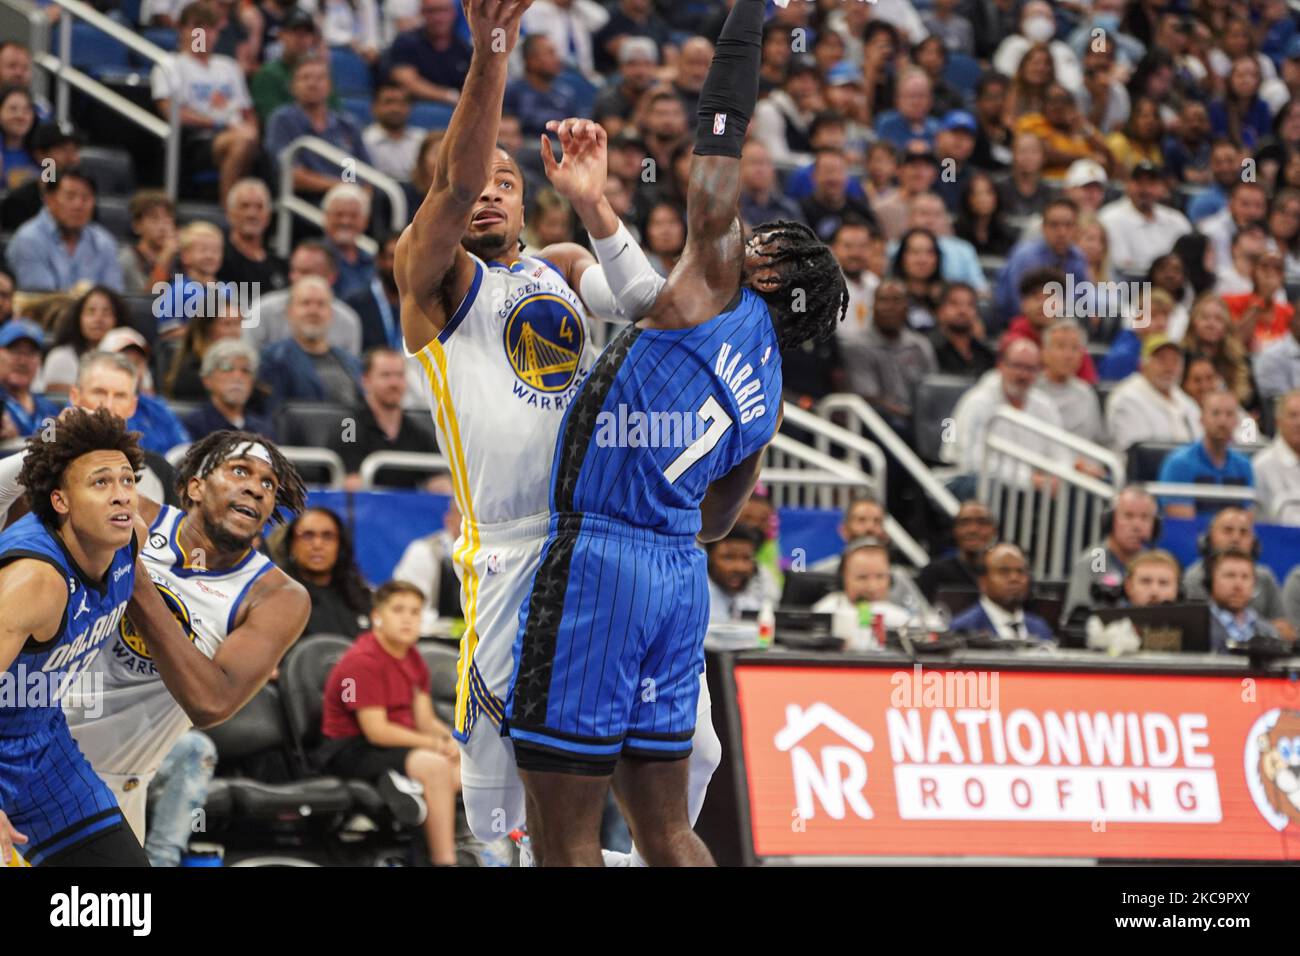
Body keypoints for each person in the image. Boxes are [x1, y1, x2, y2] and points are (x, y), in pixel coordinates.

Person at [504, 0, 848, 866]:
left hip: (601, 561)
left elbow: (720, 129)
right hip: (679, 579)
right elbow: (723, 519)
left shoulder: (718, 279)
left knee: (563, 834)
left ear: (766, 266)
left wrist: (746, 21)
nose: (743, 231)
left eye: (759, 237)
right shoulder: (770, 396)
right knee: (669, 830)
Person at [391, 0, 696, 865]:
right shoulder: (432, 273)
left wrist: (597, 205)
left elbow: (657, 310)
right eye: (472, 176)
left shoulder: (560, 265)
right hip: (510, 553)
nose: (486, 189)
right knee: (508, 819)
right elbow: (452, 187)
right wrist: (495, 51)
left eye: (506, 179)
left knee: (651, 795)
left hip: (600, 547)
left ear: (527, 199)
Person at [0, 407, 147, 866]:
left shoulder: (128, 543)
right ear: (61, 501)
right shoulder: (34, 581)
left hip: (45, 749)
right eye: (101, 483)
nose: (121, 496)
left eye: (127, 480)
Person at [318, 580, 463, 866]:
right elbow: (377, 731)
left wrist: (453, 742)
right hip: (350, 749)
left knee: (464, 766)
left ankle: (434, 835)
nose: (408, 618)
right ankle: (445, 860)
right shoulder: (362, 660)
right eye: (398, 610)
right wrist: (435, 745)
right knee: (435, 767)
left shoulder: (413, 658)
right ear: (377, 617)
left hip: (395, 745)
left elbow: (425, 720)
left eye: (415, 612)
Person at [151, 1, 260, 205]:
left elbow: (248, 111)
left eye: (210, 27)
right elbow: (170, 112)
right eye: (197, 27)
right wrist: (219, 124)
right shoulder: (170, 65)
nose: (204, 34)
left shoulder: (229, 66)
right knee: (241, 142)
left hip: (236, 130)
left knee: (251, 141)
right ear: (181, 29)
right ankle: (229, 207)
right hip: (197, 139)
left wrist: (251, 130)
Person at [941, 338, 1069, 489]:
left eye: (1030, 369)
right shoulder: (977, 402)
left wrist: (1056, 478)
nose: (1023, 375)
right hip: (973, 484)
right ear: (1001, 365)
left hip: (1031, 488)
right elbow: (972, 462)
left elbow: (1061, 454)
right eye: (1017, 366)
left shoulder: (1045, 405)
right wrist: (1028, 480)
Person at [327, 347, 437, 490]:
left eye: (399, 375)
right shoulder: (349, 427)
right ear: (365, 381)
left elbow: (438, 479)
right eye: (385, 375)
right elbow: (350, 483)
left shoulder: (417, 432)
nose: (394, 383)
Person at [265, 57, 371, 201]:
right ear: (292, 86)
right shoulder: (283, 120)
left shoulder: (347, 124)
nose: (312, 83)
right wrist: (341, 186)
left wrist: (360, 197)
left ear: (330, 86)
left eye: (320, 78)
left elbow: (364, 174)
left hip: (349, 200)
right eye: (305, 78)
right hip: (305, 202)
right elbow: (292, 175)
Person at [7, 168, 123, 292]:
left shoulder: (104, 242)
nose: (78, 205)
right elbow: (42, 302)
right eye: (70, 196)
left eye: (85, 198)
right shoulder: (28, 240)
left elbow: (113, 299)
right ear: (49, 199)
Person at [259, 276, 365, 409]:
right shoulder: (273, 359)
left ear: (331, 314)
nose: (313, 311)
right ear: (289, 312)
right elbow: (273, 414)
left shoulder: (351, 363)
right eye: (305, 303)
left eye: (321, 304)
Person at [1181, 507, 1289, 633]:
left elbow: (1284, 629)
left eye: (1243, 532)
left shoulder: (1265, 577)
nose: (1236, 538)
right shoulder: (1194, 577)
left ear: (1254, 543)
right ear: (1208, 538)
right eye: (1228, 530)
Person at [1061, 486, 1160, 624]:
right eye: (1128, 516)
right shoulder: (1097, 558)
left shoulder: (1155, 562)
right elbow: (1077, 617)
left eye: (1145, 518)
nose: (1137, 526)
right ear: (1109, 521)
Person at [245, 241, 364, 354]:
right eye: (294, 271)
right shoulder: (262, 311)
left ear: (331, 277)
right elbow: (247, 363)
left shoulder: (347, 322)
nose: (295, 278)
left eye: (306, 272)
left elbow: (350, 372)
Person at [1157, 389, 1255, 519]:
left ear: (1237, 421)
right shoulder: (1179, 463)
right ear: (1202, 419)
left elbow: (1247, 519)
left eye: (1229, 414)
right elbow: (1182, 523)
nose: (1222, 421)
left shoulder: (1244, 465)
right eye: (1215, 413)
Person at [277, 506, 372, 639]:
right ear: (292, 544)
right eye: (308, 536)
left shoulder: (360, 596)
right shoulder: (277, 596)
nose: (317, 544)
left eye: (328, 536)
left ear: (340, 545)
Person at [994, 197, 1088, 329]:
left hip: (1061, 324)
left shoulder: (1078, 256)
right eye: (1054, 225)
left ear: (1076, 229)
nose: (1062, 232)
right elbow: (1017, 304)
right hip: (1021, 325)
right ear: (1043, 228)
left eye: (1068, 225)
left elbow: (1082, 298)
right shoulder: (1025, 256)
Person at [97, 327, 192, 456]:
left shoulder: (157, 407)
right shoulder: (85, 401)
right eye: (122, 362)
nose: (131, 369)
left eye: (137, 363)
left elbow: (183, 451)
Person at [1104, 336, 1202, 452]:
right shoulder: (1127, 398)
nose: (1169, 367)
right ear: (1143, 364)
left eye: (1175, 361)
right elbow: (1138, 453)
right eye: (1162, 360)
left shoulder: (1184, 400)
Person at [1096, 161, 1192, 275]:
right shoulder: (1109, 217)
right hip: (1128, 287)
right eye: (1139, 182)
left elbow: (1190, 260)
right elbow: (1124, 268)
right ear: (1127, 184)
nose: (1145, 189)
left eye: (1152, 183)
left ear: (1162, 188)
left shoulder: (1176, 219)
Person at [949, 543, 1054, 641]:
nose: (1014, 578)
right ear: (983, 582)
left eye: (1021, 571)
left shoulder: (1040, 627)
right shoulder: (963, 629)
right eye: (1004, 571)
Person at [183, 338, 277, 441]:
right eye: (227, 368)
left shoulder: (263, 429)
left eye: (246, 370)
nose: (237, 377)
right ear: (207, 380)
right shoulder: (192, 426)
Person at [40, 286, 128, 395]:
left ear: (117, 319)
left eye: (106, 313)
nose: (98, 319)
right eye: (91, 312)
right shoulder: (61, 357)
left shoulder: (129, 355)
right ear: (78, 318)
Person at [391, 499, 461, 635]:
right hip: (429, 642)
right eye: (464, 516)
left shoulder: (491, 557)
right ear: (449, 520)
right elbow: (406, 609)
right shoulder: (422, 552)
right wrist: (448, 627)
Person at [388, 0, 472, 106]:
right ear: (421, 13)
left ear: (453, 13)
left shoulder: (464, 48)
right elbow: (406, 81)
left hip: (456, 110)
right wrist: (449, 96)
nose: (438, 17)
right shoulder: (406, 41)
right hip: (416, 109)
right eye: (431, 11)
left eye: (443, 10)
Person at [1034, 321, 1105, 446]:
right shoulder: (1030, 390)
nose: (1068, 355)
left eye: (1074, 348)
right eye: (1060, 346)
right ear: (1044, 353)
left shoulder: (1086, 393)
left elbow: (1097, 442)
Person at [915, 500, 997, 602]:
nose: (973, 529)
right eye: (965, 523)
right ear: (955, 530)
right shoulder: (933, 573)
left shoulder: (1007, 574)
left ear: (994, 530)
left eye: (981, 522)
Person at [1206, 549, 1285, 653]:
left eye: (1245, 577)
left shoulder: (1269, 632)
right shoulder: (1198, 629)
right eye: (1230, 575)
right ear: (1210, 581)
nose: (1238, 585)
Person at [217, 178, 288, 293]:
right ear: (229, 213)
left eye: (259, 207)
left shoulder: (280, 266)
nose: (252, 214)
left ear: (268, 215)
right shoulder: (218, 258)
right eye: (244, 206)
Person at [0, 319, 59, 437]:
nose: (23, 361)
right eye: (15, 351)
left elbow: (53, 449)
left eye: (30, 353)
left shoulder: (49, 410)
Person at [363, 83, 427, 183]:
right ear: (374, 108)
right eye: (389, 102)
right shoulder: (364, 140)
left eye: (402, 103)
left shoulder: (422, 138)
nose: (396, 108)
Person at [118, 190, 179, 295]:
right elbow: (147, 304)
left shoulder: (181, 258)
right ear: (137, 226)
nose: (163, 226)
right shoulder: (127, 260)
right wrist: (165, 256)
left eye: (168, 218)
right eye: (154, 218)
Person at [928, 281, 995, 376]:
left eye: (970, 304)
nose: (962, 310)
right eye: (954, 303)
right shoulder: (928, 348)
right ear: (940, 310)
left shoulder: (986, 354)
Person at [1254, 389, 1300, 525]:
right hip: (1277, 540)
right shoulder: (1262, 465)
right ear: (1278, 422)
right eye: (1293, 416)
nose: (1299, 423)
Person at [705, 523, 762, 621]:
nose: (739, 567)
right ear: (709, 558)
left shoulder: (752, 599)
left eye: (746, 558)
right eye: (729, 557)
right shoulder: (694, 602)